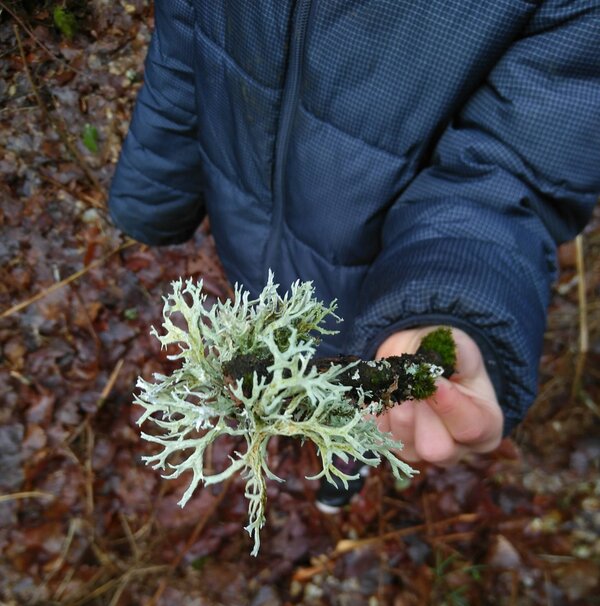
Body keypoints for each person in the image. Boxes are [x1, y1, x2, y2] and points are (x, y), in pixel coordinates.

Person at [109, 1, 600, 490]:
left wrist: (451, 301)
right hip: (246, 228)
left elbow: (516, 163)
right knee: (274, 365)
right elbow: (187, 30)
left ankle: (345, 470)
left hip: (378, 299)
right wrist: (153, 193)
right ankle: (311, 435)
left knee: (360, 411)